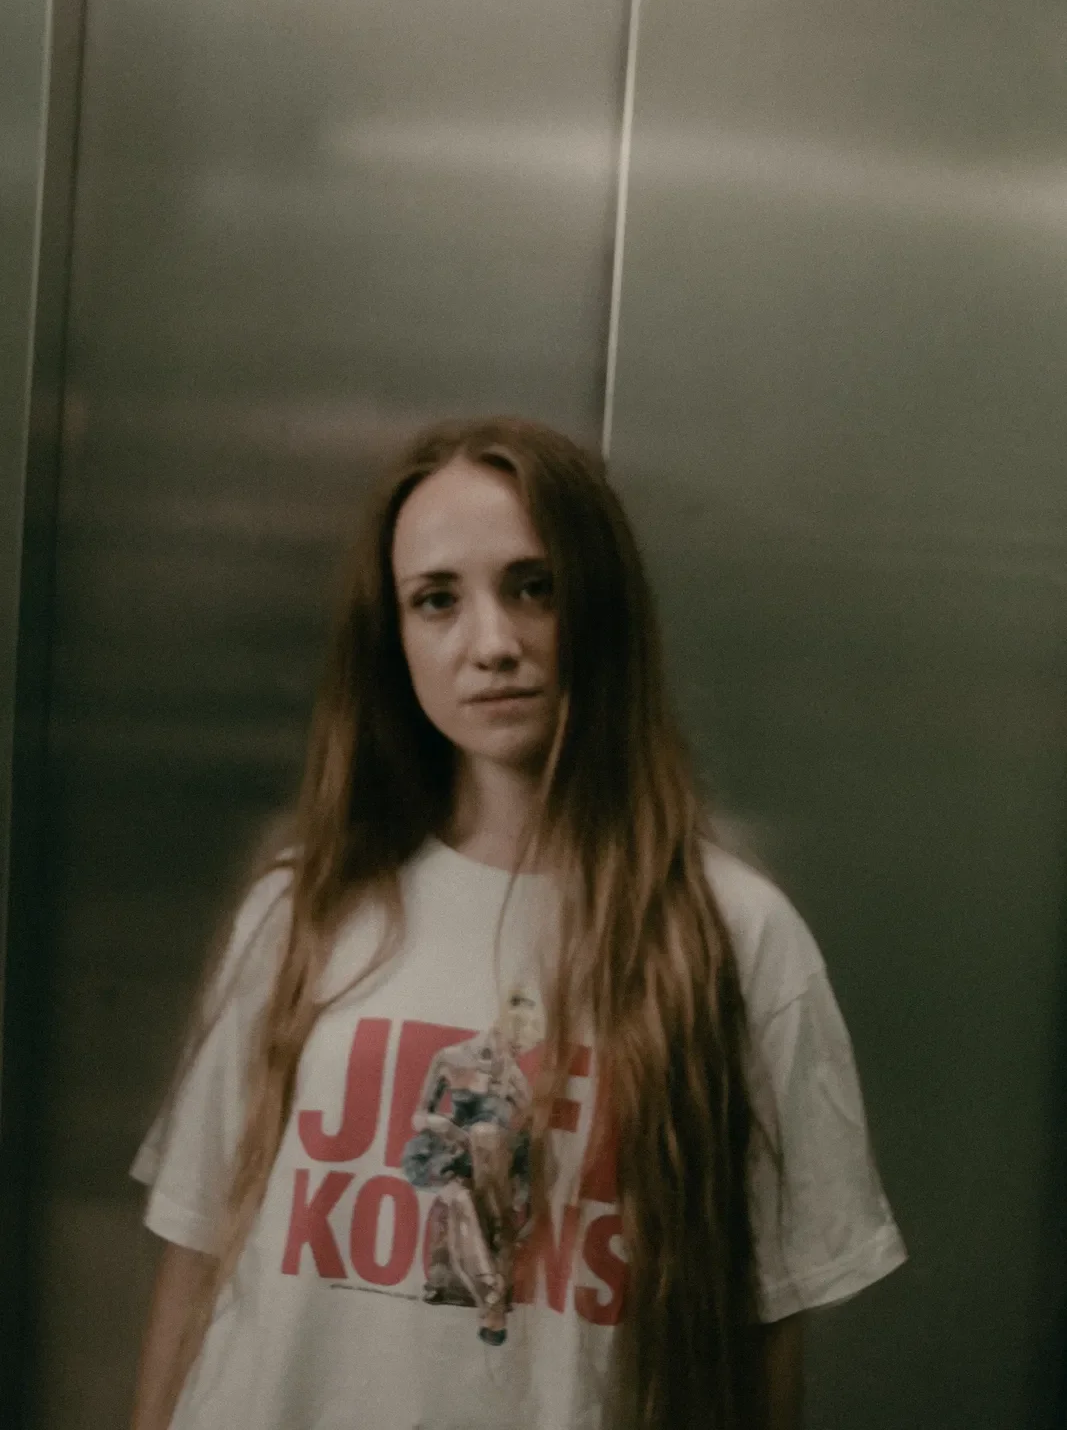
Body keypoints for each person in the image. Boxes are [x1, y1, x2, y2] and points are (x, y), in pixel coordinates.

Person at [129, 416, 906, 1430]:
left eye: (533, 586)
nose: (491, 644)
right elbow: (196, 1257)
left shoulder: (730, 936)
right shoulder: (302, 908)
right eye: (436, 599)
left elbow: (766, 1333)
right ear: (394, 635)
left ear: (599, 602)